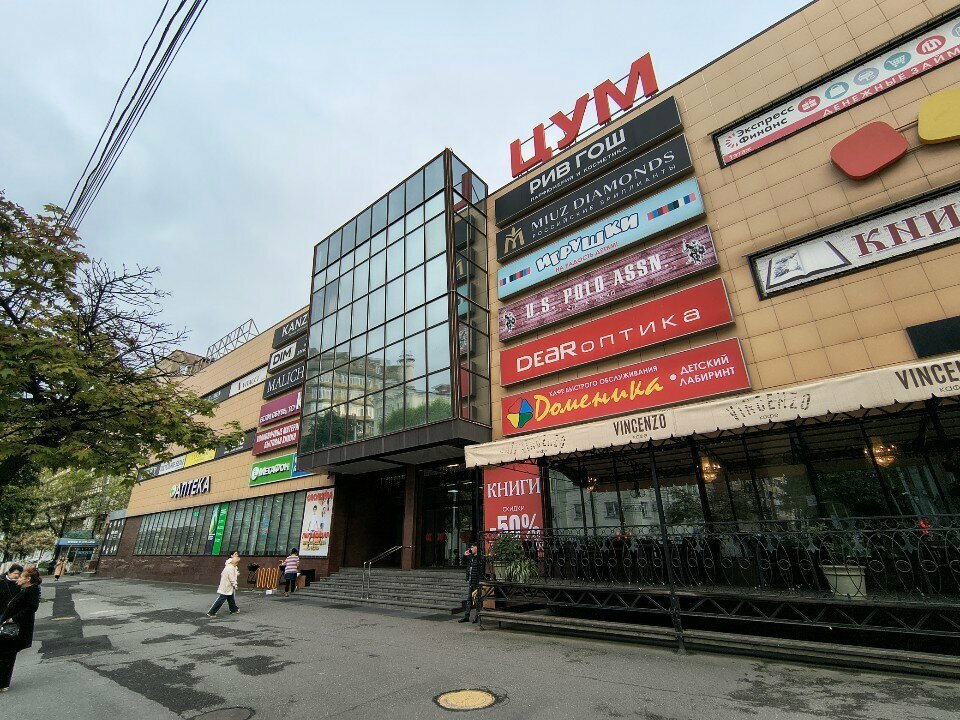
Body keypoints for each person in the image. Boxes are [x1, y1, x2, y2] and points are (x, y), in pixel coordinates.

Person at [0, 566, 42, 692]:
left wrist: (13, 619)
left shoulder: (32, 590)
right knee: (5, 655)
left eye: (21, 577)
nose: (18, 579)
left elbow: (31, 608)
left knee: (7, 655)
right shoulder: (26, 589)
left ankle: (3, 684)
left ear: (28, 579)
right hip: (11, 626)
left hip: (16, 628)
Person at [206, 551, 240, 617]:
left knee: (230, 597)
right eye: (237, 563)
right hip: (226, 586)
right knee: (222, 599)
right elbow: (232, 578)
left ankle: (234, 610)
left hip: (227, 585)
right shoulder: (230, 568)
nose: (237, 564)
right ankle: (211, 612)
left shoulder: (229, 567)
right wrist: (235, 585)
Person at [458, 543, 482, 624]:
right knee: (469, 600)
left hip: (477, 582)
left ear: (476, 548)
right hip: (471, 581)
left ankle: (477, 616)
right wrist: (465, 556)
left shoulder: (480, 557)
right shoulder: (471, 557)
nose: (471, 549)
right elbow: (463, 563)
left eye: (472, 547)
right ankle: (466, 616)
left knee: (477, 600)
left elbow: (481, 569)